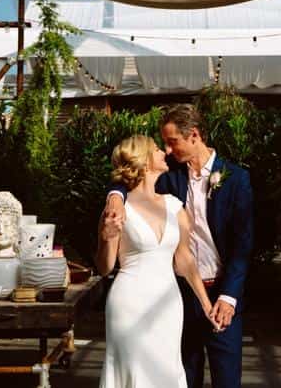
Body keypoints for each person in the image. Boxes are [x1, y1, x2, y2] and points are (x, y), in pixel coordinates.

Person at [104, 104, 254, 388]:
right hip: (178, 296)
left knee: (228, 380)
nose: (168, 150)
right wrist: (115, 195)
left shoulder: (236, 180)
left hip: (221, 295)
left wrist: (228, 297)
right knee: (183, 375)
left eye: (172, 141)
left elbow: (242, 246)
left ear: (194, 135)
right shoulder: (169, 175)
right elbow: (131, 174)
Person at [97, 134, 216, 388]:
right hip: (128, 303)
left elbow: (184, 260)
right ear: (144, 160)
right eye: (156, 148)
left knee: (166, 370)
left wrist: (206, 303)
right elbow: (105, 267)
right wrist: (107, 237)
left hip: (168, 305)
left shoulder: (174, 205)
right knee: (134, 370)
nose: (164, 151)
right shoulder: (117, 207)